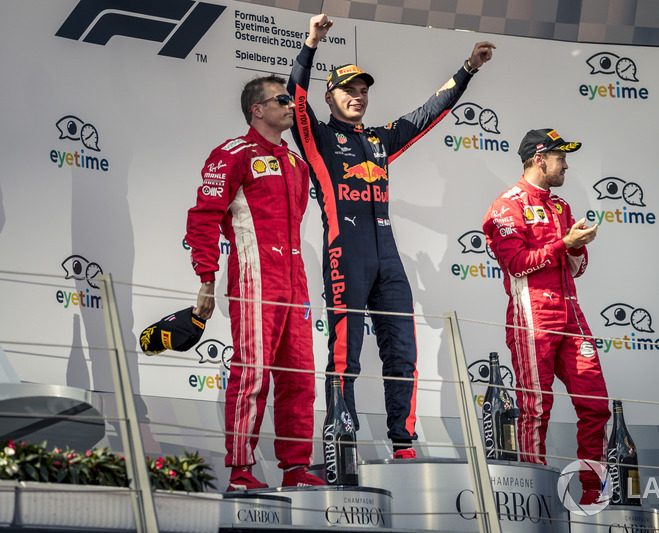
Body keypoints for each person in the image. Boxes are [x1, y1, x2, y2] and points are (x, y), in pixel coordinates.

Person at [288, 13, 495, 458]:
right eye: (349, 90)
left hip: (388, 259)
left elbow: (427, 114)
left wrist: (468, 69)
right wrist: (311, 43)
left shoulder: (380, 141)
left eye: (363, 92)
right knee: (346, 354)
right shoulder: (318, 138)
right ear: (331, 96)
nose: (358, 97)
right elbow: (295, 97)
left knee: (402, 354)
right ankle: (340, 444)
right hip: (346, 253)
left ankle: (403, 445)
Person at [186, 75, 323, 490]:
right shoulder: (232, 154)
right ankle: (241, 469)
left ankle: (296, 468)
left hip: (295, 281)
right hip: (254, 277)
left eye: (290, 98)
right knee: (252, 374)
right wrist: (207, 279)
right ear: (256, 109)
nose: (289, 104)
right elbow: (204, 218)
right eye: (280, 99)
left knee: (299, 378)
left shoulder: (297, 163)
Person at [482, 129, 610, 499]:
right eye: (561, 158)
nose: (566, 165)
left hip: (571, 312)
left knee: (596, 404)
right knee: (535, 408)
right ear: (540, 160)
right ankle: (531, 495)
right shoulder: (507, 205)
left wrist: (576, 249)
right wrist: (563, 244)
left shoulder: (560, 206)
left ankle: (591, 492)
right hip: (532, 315)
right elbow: (515, 264)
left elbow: (576, 268)